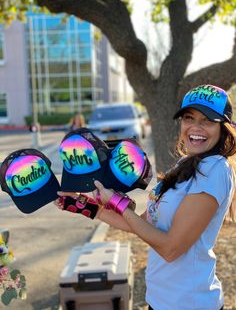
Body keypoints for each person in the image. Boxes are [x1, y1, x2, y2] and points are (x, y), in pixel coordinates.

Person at [56, 84, 236, 310]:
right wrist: (87, 206)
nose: (195, 127)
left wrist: (116, 202)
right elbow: (142, 222)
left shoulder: (215, 169)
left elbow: (171, 248)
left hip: (190, 303)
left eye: (207, 120)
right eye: (189, 118)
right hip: (161, 300)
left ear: (223, 128)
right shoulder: (185, 164)